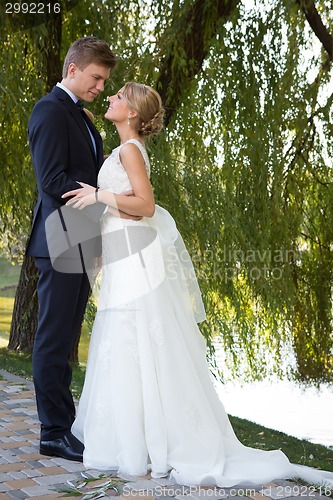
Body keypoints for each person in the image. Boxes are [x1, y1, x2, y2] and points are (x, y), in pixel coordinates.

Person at [62, 83, 333, 487]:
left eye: (119, 96)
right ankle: (134, 438)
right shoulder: (122, 149)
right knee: (124, 342)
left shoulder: (131, 151)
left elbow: (145, 205)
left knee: (137, 341)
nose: (111, 99)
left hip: (137, 262)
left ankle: (151, 442)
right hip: (127, 257)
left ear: (132, 113)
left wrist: (98, 194)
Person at [26, 36, 117, 462]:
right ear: (73, 69)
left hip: (81, 241)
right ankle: (53, 432)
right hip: (60, 239)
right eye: (96, 78)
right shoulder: (49, 110)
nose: (100, 87)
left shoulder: (83, 117)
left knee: (66, 342)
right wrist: (103, 195)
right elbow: (52, 181)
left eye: (104, 81)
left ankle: (65, 424)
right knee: (52, 340)